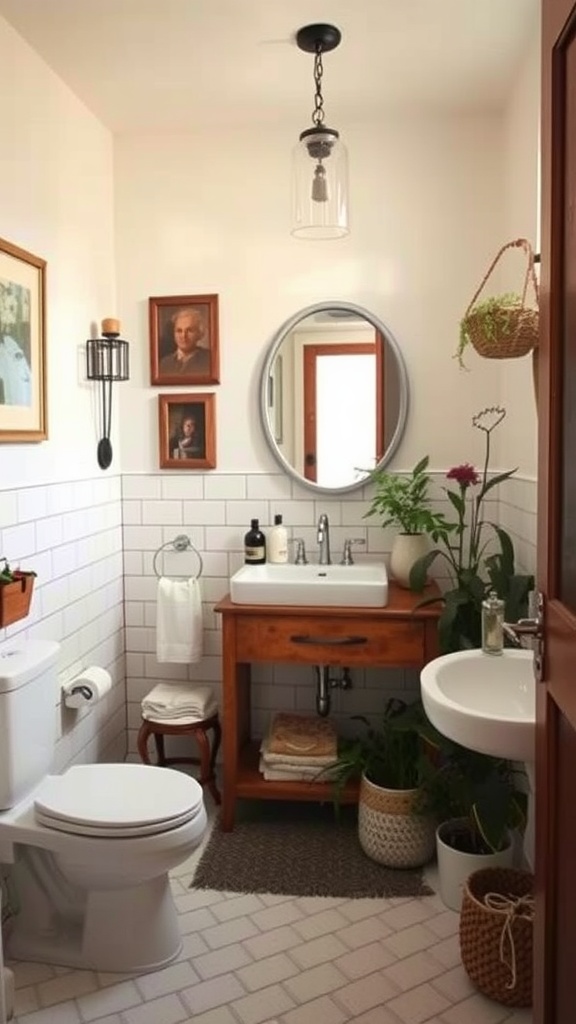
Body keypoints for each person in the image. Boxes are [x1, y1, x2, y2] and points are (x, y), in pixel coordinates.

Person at [159, 307, 210, 376]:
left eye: (189, 330)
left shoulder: (209, 360)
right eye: (179, 331)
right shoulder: (164, 363)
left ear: (200, 334)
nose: (183, 336)